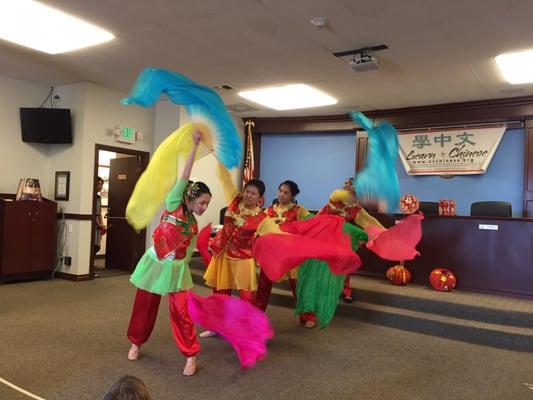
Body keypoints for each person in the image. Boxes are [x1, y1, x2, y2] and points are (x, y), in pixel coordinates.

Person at [126, 131, 211, 376]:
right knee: (145, 305)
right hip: (155, 264)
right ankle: (136, 343)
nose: (204, 207)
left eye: (207, 204)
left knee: (182, 312)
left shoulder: (193, 223)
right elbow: (185, 176)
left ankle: (190, 355)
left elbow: (188, 246)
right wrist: (194, 146)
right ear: (190, 198)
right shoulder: (175, 202)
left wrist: (181, 258)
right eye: (202, 202)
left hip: (176, 270)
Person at [201, 170, 267, 337]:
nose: (249, 195)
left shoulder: (262, 217)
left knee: (246, 296)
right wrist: (217, 154)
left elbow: (276, 233)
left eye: (254, 193)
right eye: (247, 191)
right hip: (223, 253)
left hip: (243, 258)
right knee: (220, 292)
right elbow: (224, 177)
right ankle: (217, 326)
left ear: (260, 198)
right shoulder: (235, 201)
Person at [255, 180, 316, 327]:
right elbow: (259, 227)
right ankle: (256, 315)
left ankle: (307, 316)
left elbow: (311, 224)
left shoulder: (299, 210)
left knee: (297, 285)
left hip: (291, 254)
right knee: (263, 285)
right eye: (280, 190)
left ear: (292, 196)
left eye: (286, 192)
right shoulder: (268, 210)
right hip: (272, 254)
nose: (281, 194)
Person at [94, 176, 105, 278]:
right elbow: (92, 213)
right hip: (93, 223)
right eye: (98, 184)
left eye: (101, 184)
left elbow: (99, 212)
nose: (100, 186)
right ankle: (90, 268)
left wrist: (101, 223)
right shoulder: (92, 197)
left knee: (97, 245)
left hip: (98, 223)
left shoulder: (99, 197)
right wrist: (98, 223)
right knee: (93, 246)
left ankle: (91, 265)